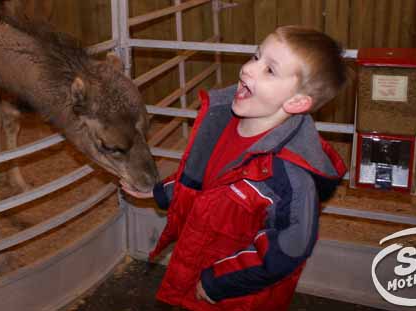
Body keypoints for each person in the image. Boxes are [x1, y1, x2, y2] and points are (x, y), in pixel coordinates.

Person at [121, 25, 348, 311]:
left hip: (236, 295)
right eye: (256, 56)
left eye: (269, 70)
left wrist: (220, 282)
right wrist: (161, 192)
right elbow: (203, 178)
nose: (247, 70)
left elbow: (289, 248)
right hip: (197, 262)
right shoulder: (220, 121)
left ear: (297, 101)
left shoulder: (289, 176)